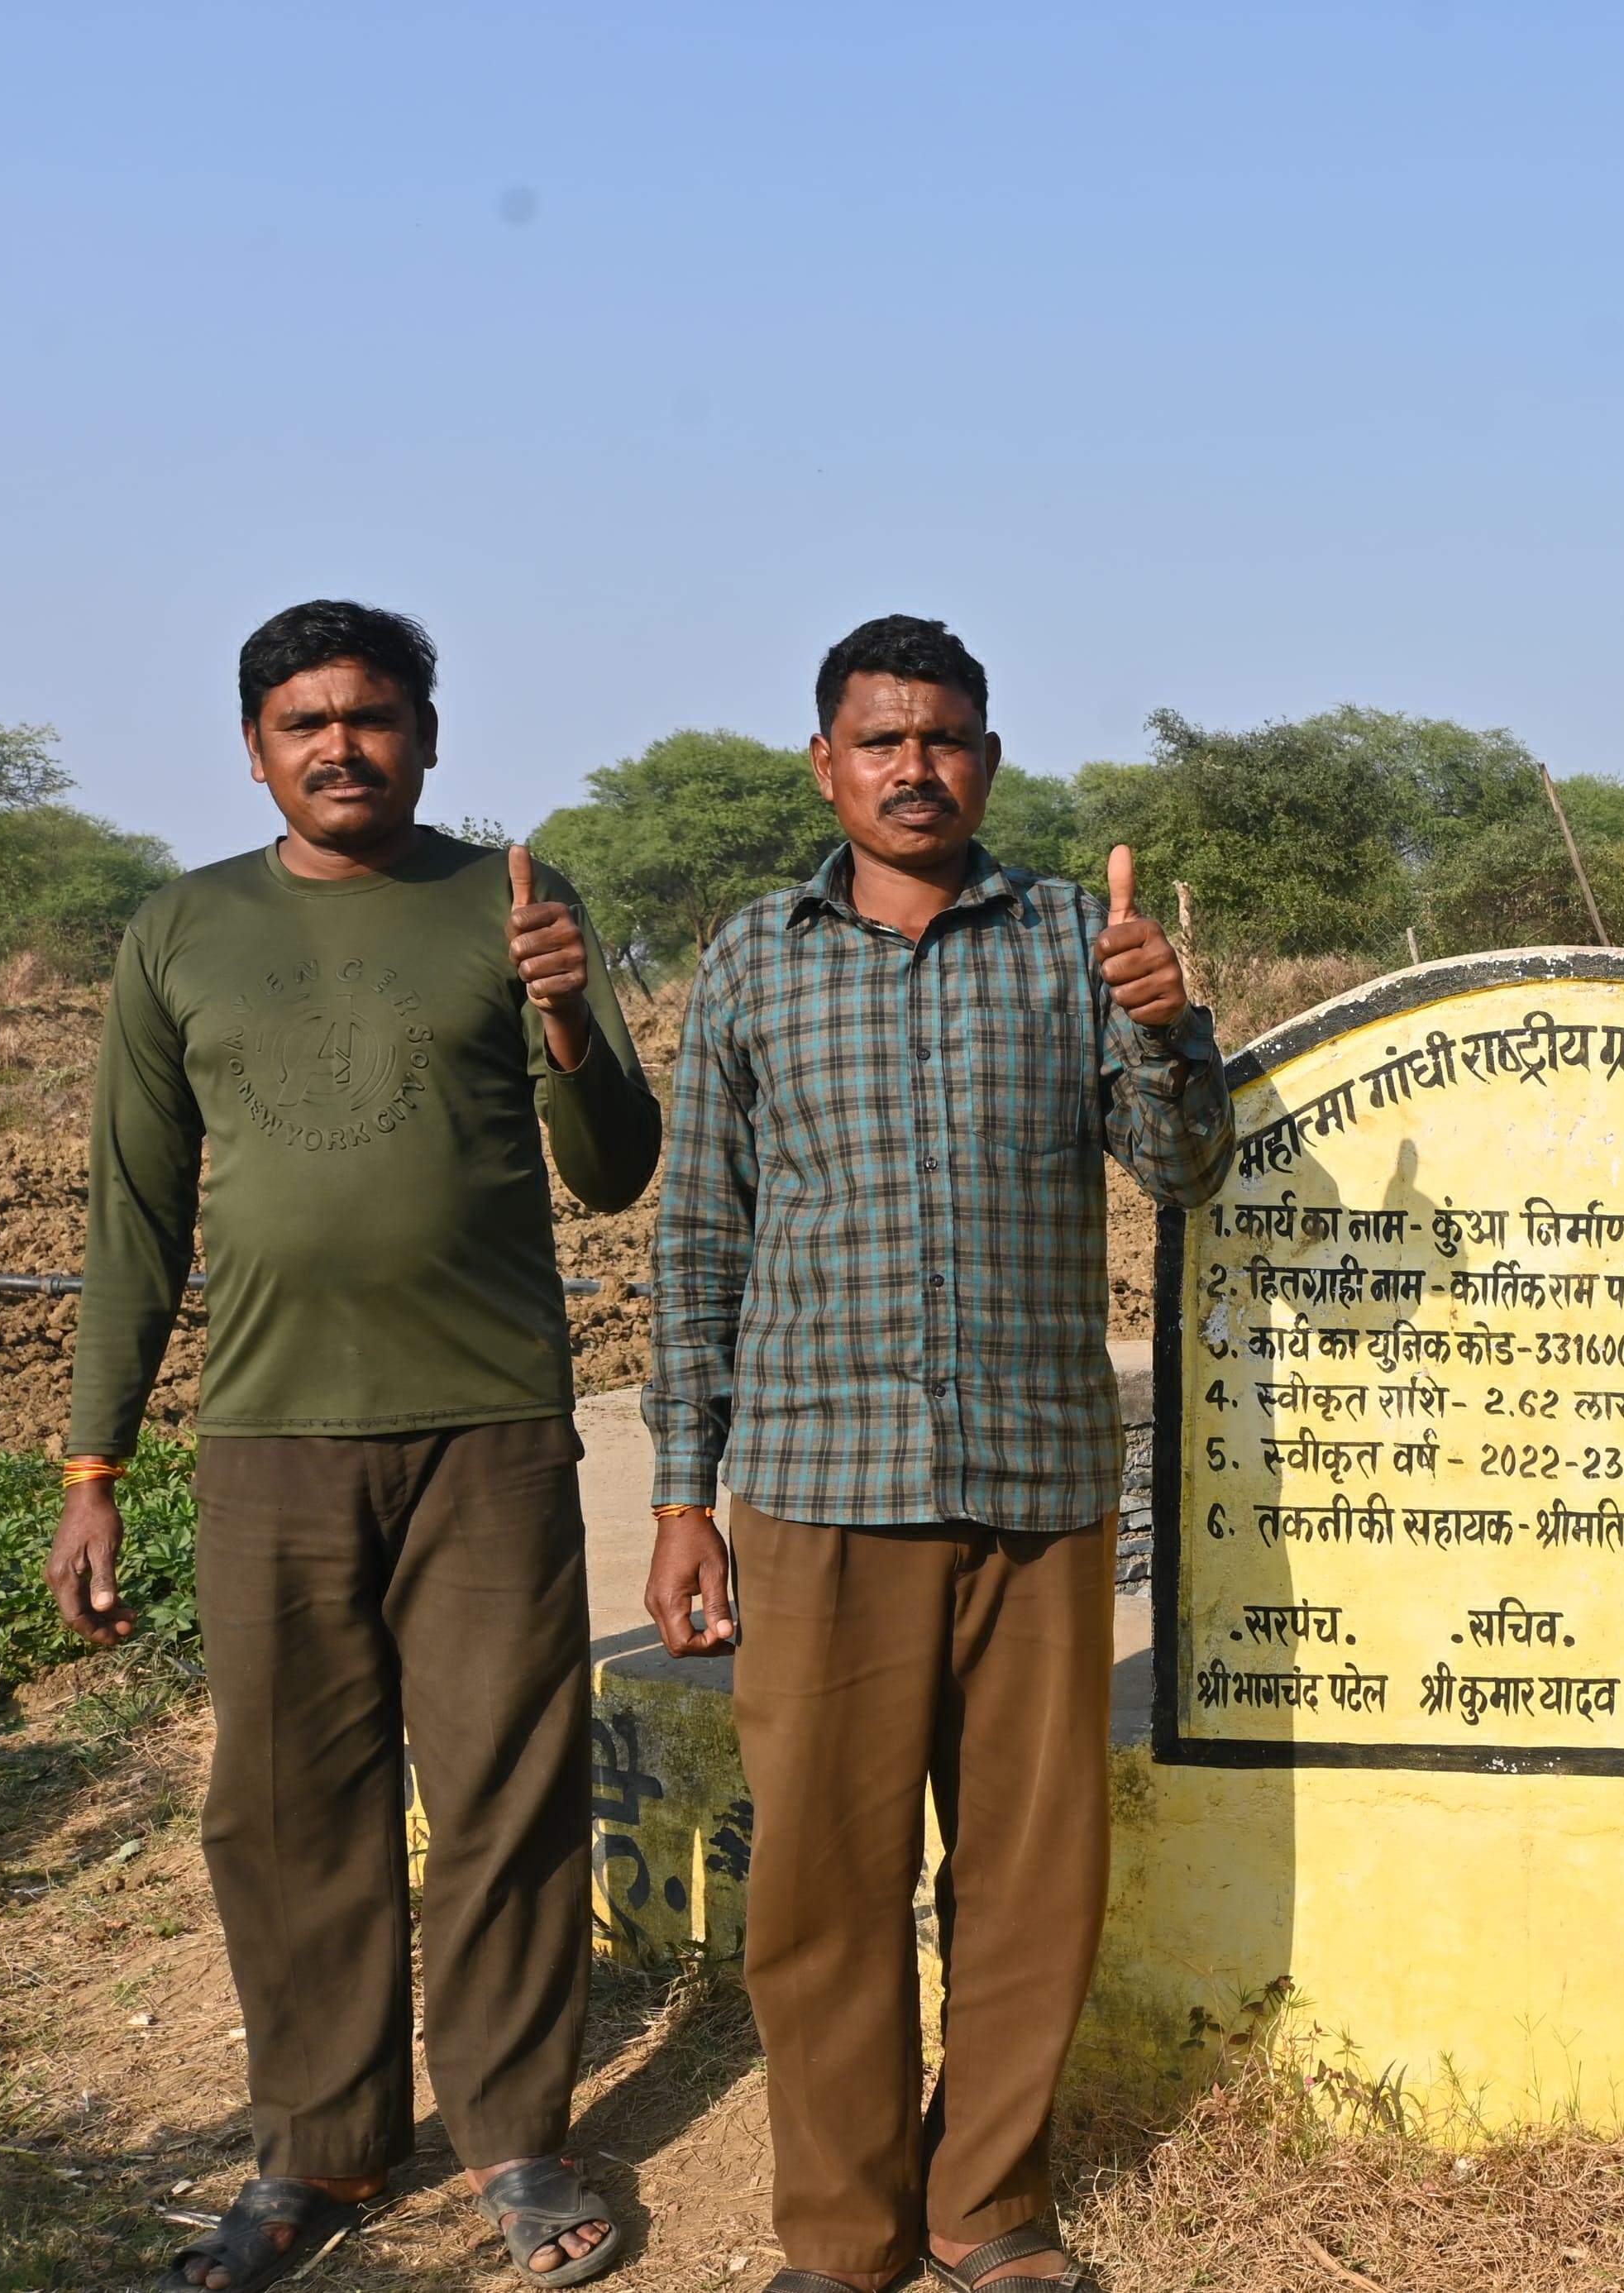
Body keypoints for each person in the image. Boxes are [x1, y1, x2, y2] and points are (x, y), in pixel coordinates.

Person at [47, 600, 662, 2290]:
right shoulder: (182, 931)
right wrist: (92, 1468)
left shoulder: (514, 902)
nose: (342, 744)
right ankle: (319, 2149)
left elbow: (613, 1167)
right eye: (306, 720)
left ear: (428, 737)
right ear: (255, 747)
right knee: (285, 1806)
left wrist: (564, 1020)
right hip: (266, 1437)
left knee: (502, 1789)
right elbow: (131, 1218)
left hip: (488, 1428)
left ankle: (518, 2136)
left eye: (374, 716)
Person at [641, 615, 1230, 2293]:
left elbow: (1181, 1169)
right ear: (824, 763)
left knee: (1028, 1883)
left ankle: (989, 2206)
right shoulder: (757, 956)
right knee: (823, 1886)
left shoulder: (1068, 937)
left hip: (1035, 1484)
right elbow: (697, 1243)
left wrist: (1168, 1023)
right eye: (882, 740)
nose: (916, 767)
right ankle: (840, 2232)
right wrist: (684, 1493)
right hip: (821, 1489)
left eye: (947, 738)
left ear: (990, 758)